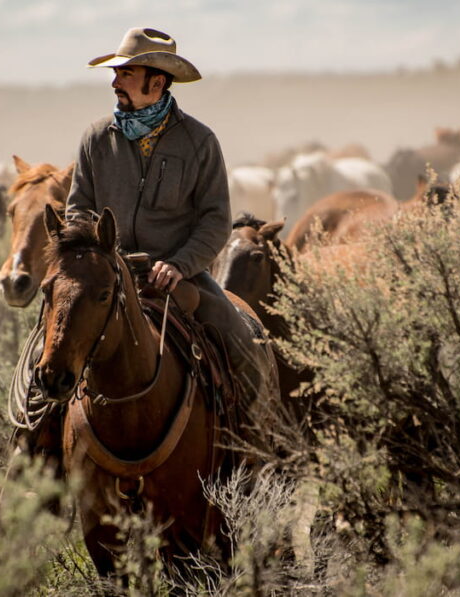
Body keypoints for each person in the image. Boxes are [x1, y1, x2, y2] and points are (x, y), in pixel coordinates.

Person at [66, 27, 274, 404]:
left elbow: (215, 221)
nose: (115, 82)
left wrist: (179, 264)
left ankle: (250, 445)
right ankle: (31, 439)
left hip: (179, 279)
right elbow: (78, 209)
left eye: (126, 73)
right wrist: (94, 259)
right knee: (49, 344)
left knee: (243, 346)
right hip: (105, 275)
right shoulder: (96, 138)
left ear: (157, 82)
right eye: (116, 73)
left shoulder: (199, 142)